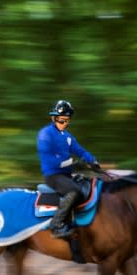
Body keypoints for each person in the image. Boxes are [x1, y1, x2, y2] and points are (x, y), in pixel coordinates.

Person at [37, 100, 100, 239]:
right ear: (54, 118)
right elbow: (48, 159)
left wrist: (92, 161)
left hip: (66, 175)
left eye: (67, 121)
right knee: (74, 191)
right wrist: (72, 163)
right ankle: (56, 225)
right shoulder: (45, 134)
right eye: (61, 120)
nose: (64, 124)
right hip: (53, 176)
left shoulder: (68, 137)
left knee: (88, 185)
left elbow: (81, 151)